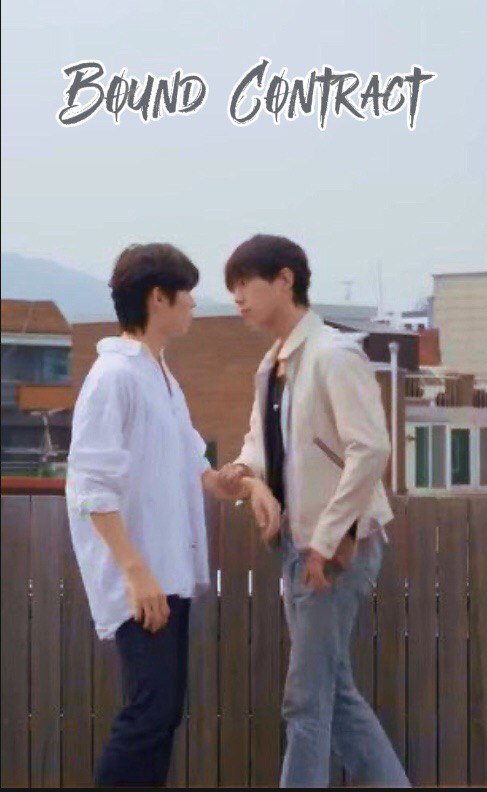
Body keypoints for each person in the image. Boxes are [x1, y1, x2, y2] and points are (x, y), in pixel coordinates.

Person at [66, 242, 280, 788]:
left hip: (169, 574)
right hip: (143, 579)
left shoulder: (161, 376)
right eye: (186, 293)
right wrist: (135, 573)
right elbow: (92, 488)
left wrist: (244, 482)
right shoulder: (113, 376)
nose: (193, 304)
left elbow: (199, 472)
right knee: (148, 714)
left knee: (162, 714)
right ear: (158, 298)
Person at [220, 234, 411, 788]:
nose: (237, 298)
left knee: (306, 700)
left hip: (335, 550)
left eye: (245, 284)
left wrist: (328, 540)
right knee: (333, 694)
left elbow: (370, 450)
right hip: (297, 547)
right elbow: (261, 444)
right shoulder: (272, 366)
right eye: (232, 288)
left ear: (285, 280)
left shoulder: (333, 353)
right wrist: (240, 472)